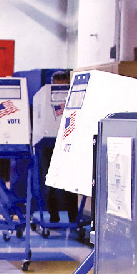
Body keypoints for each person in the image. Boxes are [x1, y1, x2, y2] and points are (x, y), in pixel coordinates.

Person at [41, 70, 78, 225]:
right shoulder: (43, 98)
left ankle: (73, 216)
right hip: (49, 144)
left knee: (70, 182)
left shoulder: (76, 97)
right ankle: (53, 216)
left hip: (68, 144)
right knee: (51, 182)